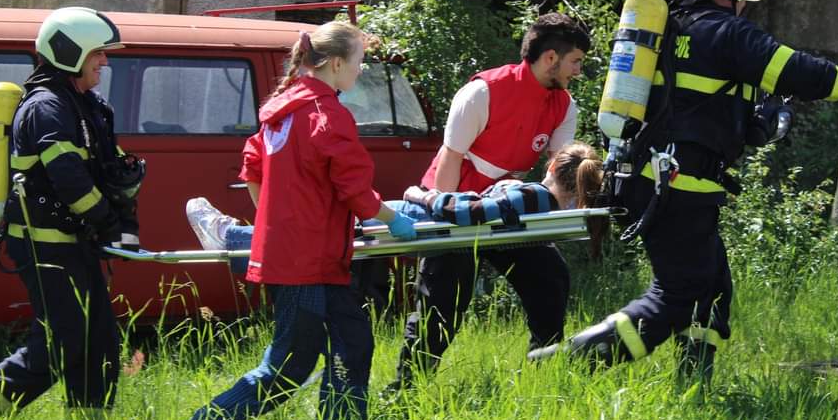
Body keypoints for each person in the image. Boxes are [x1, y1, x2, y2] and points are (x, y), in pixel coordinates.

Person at [530, 0, 838, 382]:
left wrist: (752, 122)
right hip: (678, 186)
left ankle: (693, 387)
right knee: (676, 295)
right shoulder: (724, 30)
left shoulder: (673, 29)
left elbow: (693, 110)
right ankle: (568, 362)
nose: (748, 7)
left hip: (656, 180)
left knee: (713, 290)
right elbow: (796, 70)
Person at [183, 21, 418, 420]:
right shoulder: (327, 116)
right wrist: (393, 220)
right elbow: (355, 190)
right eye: (360, 62)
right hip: (306, 264)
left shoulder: (282, 112)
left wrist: (278, 221)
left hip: (311, 258)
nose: (360, 71)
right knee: (289, 365)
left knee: (354, 341)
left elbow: (252, 167)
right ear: (338, 63)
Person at [0, 7, 143, 420]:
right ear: (70, 52)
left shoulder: (88, 105)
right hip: (44, 242)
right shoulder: (45, 107)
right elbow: (66, 176)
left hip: (76, 241)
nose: (105, 61)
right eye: (98, 54)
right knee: (59, 341)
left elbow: (105, 170)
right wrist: (106, 220)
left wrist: (124, 217)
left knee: (98, 338)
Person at [387, 12, 591, 390]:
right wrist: (447, 230)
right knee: (443, 307)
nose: (578, 71)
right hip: (450, 206)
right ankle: (403, 394)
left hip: (499, 210)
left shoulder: (564, 106)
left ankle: (542, 376)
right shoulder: (482, 92)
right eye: (575, 61)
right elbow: (450, 160)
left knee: (550, 277)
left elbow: (558, 175)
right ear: (550, 58)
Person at [186, 141, 605, 253]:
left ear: (552, 167)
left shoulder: (533, 196)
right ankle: (235, 235)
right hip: (425, 224)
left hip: (416, 218)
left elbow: (473, 211)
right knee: (323, 228)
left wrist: (421, 196)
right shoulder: (552, 212)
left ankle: (232, 237)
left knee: (322, 230)